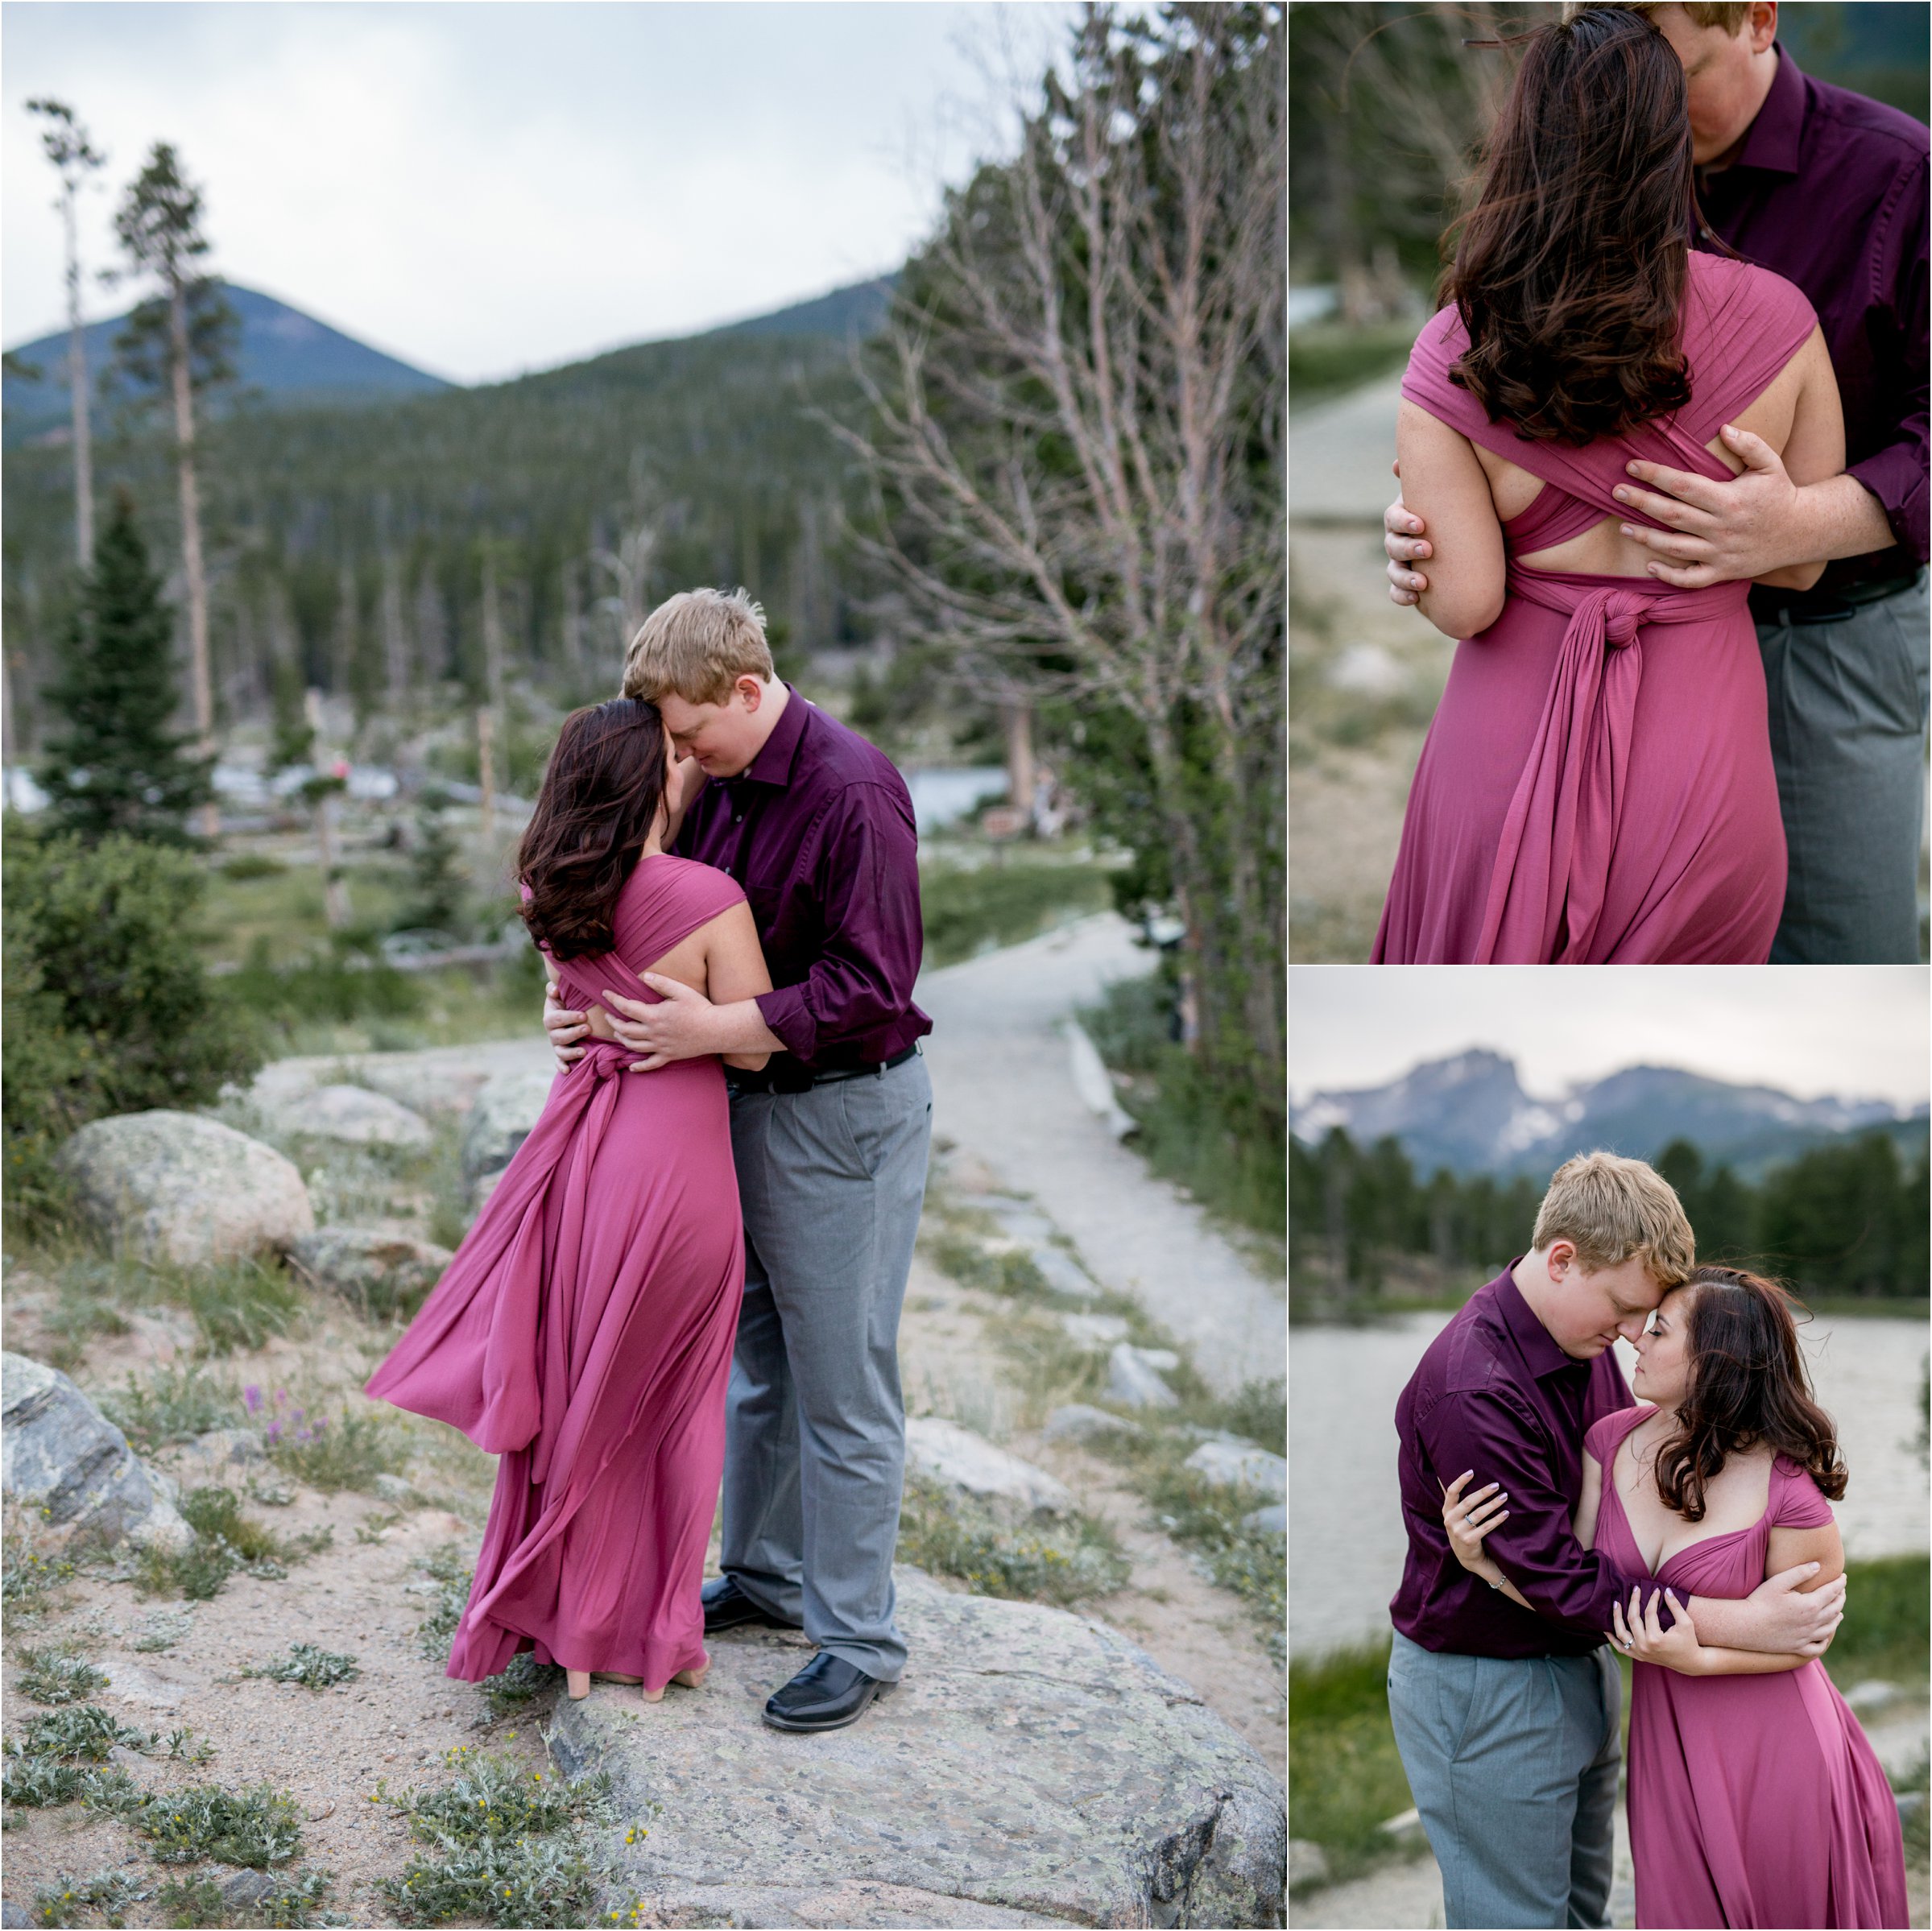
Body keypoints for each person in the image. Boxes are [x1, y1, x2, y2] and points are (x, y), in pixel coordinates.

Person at [1388, 1, 1930, 964]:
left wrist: (1801, 525)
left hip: (1830, 637)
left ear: (1757, 21)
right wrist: (1417, 526)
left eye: (1665, 70)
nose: (1645, 97)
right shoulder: (1770, 311)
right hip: (1647, 675)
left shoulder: (1900, 173)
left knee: (1839, 949)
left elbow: (1467, 587)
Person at [544, 588, 933, 1735]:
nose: (675, 754)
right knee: (754, 1356)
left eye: (684, 730)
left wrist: (713, 1031)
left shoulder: (854, 791)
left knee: (841, 1383)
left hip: (843, 1118)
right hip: (739, 1108)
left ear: (748, 691)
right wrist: (586, 1014)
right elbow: (664, 927)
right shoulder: (712, 784)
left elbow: (875, 988)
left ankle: (856, 1638)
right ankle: (763, 1574)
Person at [365, 697, 772, 1704]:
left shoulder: (545, 889)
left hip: (580, 1166)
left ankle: (571, 1632)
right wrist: (705, 1024)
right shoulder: (709, 894)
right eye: (675, 756)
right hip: (676, 1174)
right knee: (669, 1405)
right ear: (649, 779)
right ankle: (650, 1634)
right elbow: (756, 1041)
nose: (689, 768)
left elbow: (569, 1005)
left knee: (582, 1395)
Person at [1388, 1152, 1847, 1929]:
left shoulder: (1590, 1347)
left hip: (1585, 1661)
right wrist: (1744, 1624)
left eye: (1651, 1318)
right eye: (1627, 1310)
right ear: (1562, 1260)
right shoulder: (1476, 1387)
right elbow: (1564, 1580)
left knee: (1582, 1915)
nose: (1636, 1335)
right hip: (1488, 1683)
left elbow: (1630, 1522)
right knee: (1516, 1921)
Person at [1446, 1267, 1908, 1928]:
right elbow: (1575, 1588)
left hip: (1779, 1747)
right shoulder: (1609, 1442)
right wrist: (1483, 1564)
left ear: (1712, 1360)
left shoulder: (1787, 1488)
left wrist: (1703, 1660)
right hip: (1666, 1745)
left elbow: (1808, 1637)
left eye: (1658, 1329)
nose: (1634, 1337)